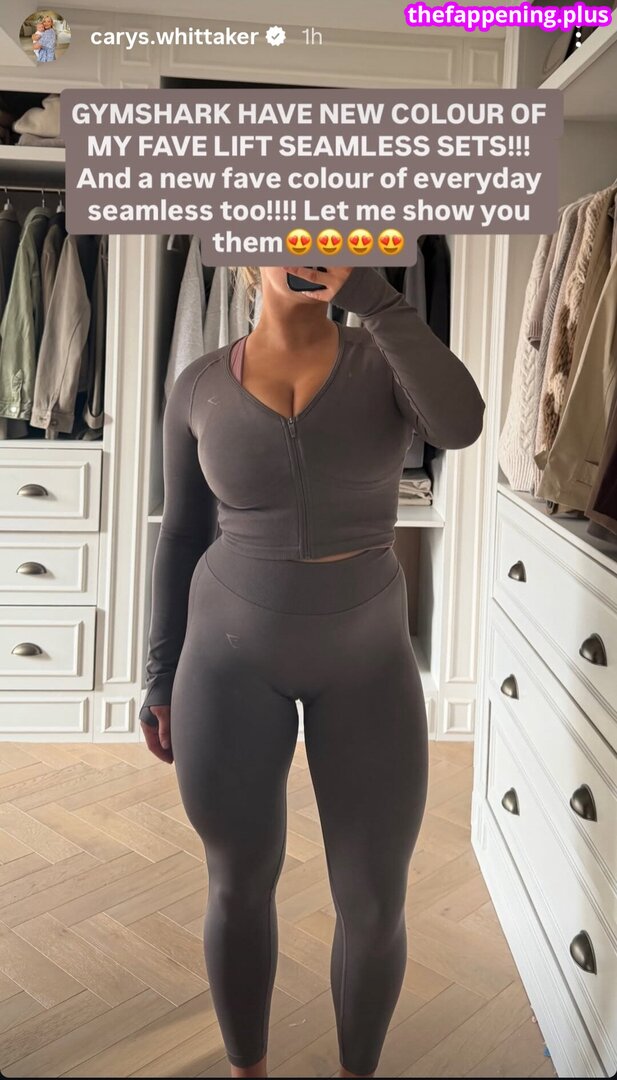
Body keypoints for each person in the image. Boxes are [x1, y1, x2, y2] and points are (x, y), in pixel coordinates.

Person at [140, 264, 486, 1078]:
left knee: (373, 901)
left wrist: (374, 298)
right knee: (236, 882)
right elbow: (181, 532)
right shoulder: (197, 386)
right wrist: (158, 673)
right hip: (224, 660)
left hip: (367, 660)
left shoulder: (385, 358)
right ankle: (247, 1070)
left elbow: (461, 424)